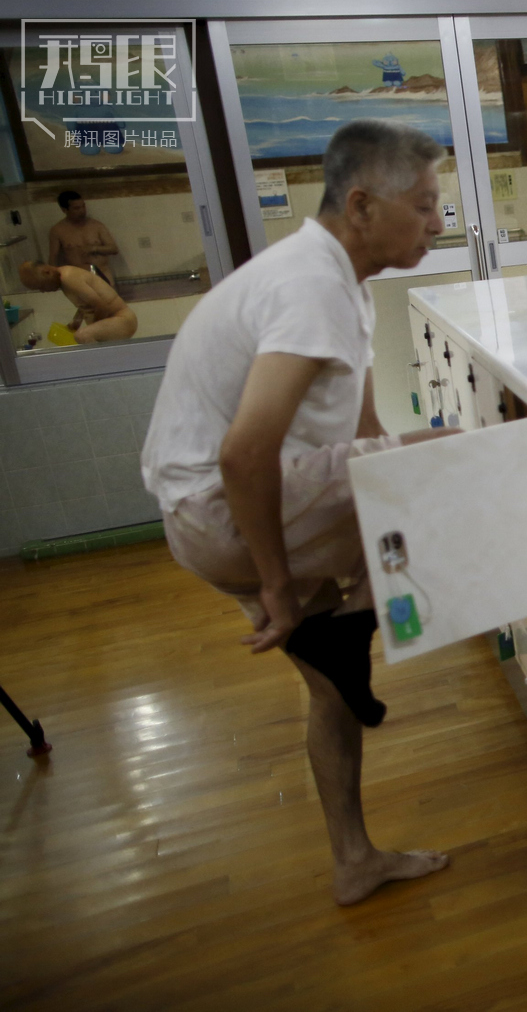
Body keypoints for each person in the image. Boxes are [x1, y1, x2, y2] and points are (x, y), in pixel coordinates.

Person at [141, 119, 457, 906]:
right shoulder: (310, 284)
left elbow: (361, 434)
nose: (438, 223)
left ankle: (353, 858)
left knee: (329, 689)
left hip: (224, 510)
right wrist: (278, 588)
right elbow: (244, 455)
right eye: (422, 206)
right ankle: (359, 613)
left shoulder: (337, 277)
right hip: (223, 507)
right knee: (456, 450)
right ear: (360, 205)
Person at [18, 260, 137, 344]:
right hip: (117, 321)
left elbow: (101, 306)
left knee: (83, 336)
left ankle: (101, 368)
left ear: (47, 272)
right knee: (83, 335)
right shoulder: (64, 281)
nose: (43, 291)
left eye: (41, 286)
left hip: (122, 320)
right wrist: (76, 322)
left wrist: (94, 327)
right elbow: (85, 303)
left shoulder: (68, 278)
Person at [48, 191, 120, 286]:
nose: (82, 211)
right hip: (77, 275)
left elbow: (113, 249)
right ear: (64, 210)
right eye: (77, 208)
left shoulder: (97, 225)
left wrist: (94, 248)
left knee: (109, 299)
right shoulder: (57, 230)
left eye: (83, 206)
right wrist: (52, 279)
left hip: (102, 272)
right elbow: (53, 257)